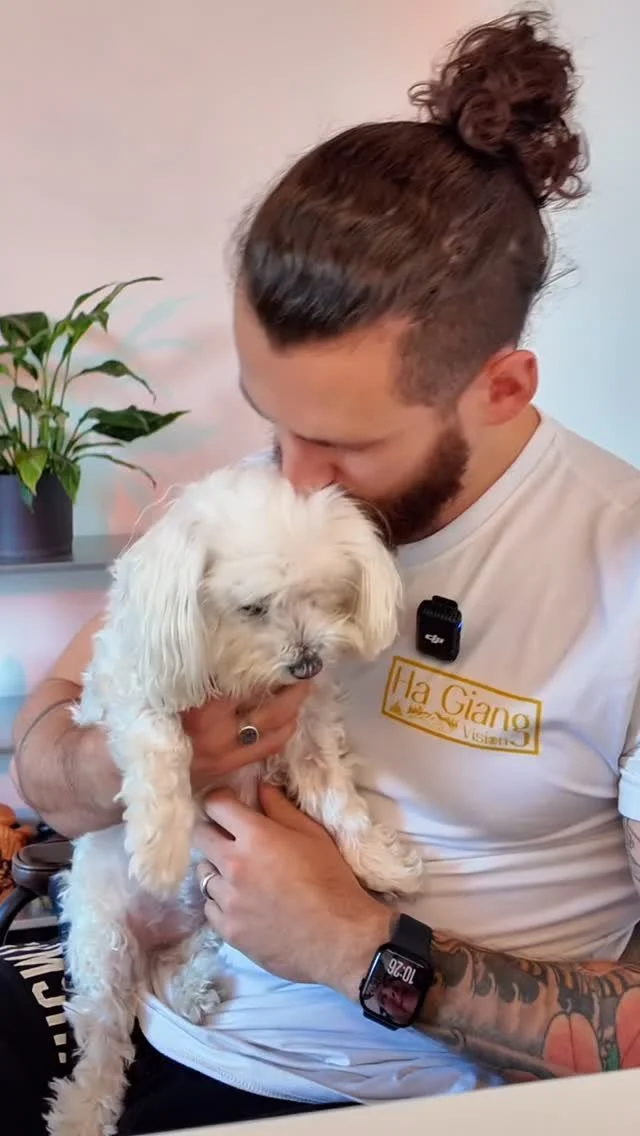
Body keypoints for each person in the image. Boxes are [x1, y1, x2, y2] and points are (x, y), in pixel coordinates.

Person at [5, 8, 640, 1134]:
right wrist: (128, 761)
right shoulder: (247, 513)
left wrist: (362, 948)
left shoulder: (617, 563)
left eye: (343, 444)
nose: (293, 479)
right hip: (181, 1043)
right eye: (272, 422)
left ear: (502, 386)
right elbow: (45, 758)